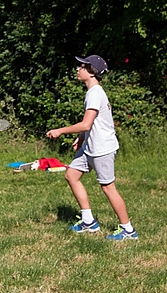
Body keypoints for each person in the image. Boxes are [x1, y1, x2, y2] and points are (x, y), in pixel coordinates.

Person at [45, 55, 138, 241]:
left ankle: (128, 230)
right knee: (71, 175)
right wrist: (81, 138)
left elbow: (86, 124)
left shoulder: (95, 93)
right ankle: (88, 221)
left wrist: (60, 131)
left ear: (91, 71)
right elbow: (90, 124)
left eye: (82, 66)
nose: (78, 69)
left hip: (102, 149)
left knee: (108, 188)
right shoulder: (92, 92)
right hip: (90, 146)